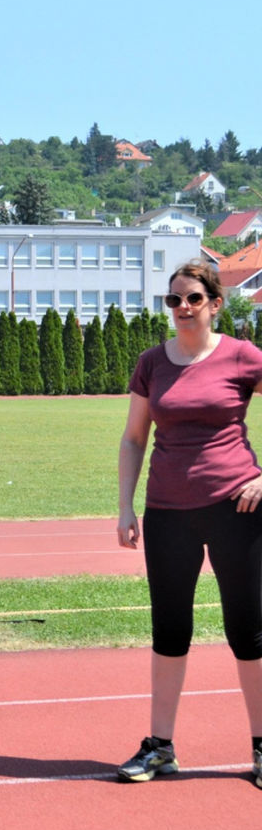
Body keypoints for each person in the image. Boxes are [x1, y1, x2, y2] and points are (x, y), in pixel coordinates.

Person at [117, 260, 262, 790]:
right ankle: (160, 747)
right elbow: (134, 438)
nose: (182, 308)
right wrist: (125, 507)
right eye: (173, 300)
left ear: (215, 303)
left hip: (237, 509)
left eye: (193, 299)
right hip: (167, 512)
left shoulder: (243, 356)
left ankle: (261, 747)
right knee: (169, 629)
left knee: (247, 631)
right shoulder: (152, 363)